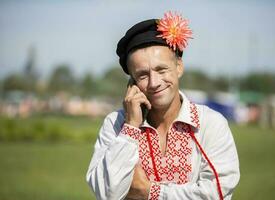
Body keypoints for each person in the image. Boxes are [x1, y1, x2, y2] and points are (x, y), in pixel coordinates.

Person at [86, 11, 240, 200]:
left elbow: (217, 194)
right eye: (142, 75)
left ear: (179, 67)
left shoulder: (210, 124)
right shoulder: (115, 125)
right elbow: (107, 193)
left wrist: (150, 192)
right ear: (132, 83)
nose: (154, 82)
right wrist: (131, 127)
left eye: (161, 70)